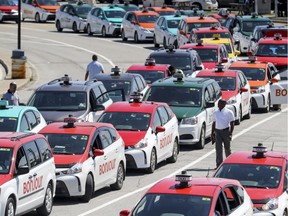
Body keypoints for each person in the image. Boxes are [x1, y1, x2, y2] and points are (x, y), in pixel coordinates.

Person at [211, 99, 234, 169]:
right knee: (218, 149)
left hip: (226, 131)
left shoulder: (229, 112)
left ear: (224, 104)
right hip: (218, 131)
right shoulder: (215, 112)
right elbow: (214, 123)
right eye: (218, 103)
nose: (218, 104)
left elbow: (232, 123)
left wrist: (230, 133)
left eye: (220, 103)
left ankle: (229, 164)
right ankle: (219, 165)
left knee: (227, 148)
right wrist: (212, 133)